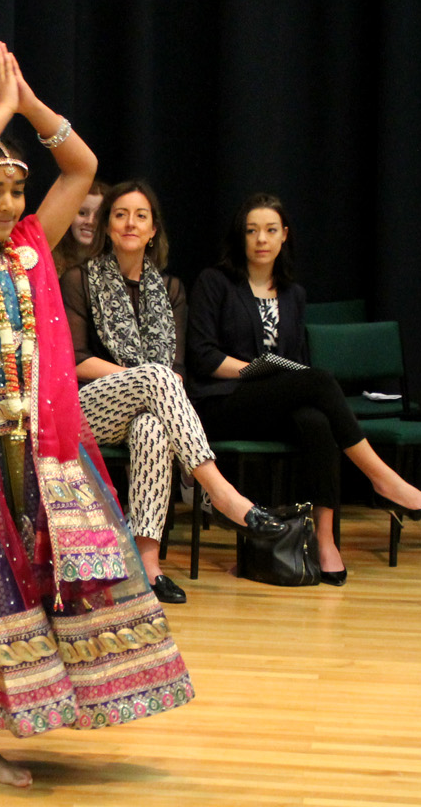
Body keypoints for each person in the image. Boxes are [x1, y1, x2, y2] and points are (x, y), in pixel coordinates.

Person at [0, 44, 284, 795]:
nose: (8, 206)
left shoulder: (30, 254)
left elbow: (81, 166)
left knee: (8, 595)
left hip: (23, 452)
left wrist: (32, 106)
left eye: (14, 192)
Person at [186, 192, 421, 585]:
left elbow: (294, 359)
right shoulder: (215, 281)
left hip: (274, 402)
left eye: (270, 230)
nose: (261, 239)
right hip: (222, 402)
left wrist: (281, 378)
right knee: (320, 380)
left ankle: (325, 540)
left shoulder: (294, 294)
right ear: (240, 237)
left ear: (284, 236)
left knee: (316, 421)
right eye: (252, 230)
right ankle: (383, 479)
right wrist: (258, 372)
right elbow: (203, 357)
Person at [62, 180, 292, 604]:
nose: (130, 223)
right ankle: (221, 494)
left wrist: (151, 381)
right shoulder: (78, 279)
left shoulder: (171, 290)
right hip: (89, 406)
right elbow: (76, 361)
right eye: (120, 214)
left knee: (152, 427)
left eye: (141, 216)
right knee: (157, 378)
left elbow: (179, 369)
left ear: (153, 231)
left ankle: (147, 568)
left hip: (151, 407)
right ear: (107, 226)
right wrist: (141, 377)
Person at [50, 179, 106, 275]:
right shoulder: (50, 259)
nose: (90, 221)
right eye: (82, 213)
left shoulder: (115, 265)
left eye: (98, 216)